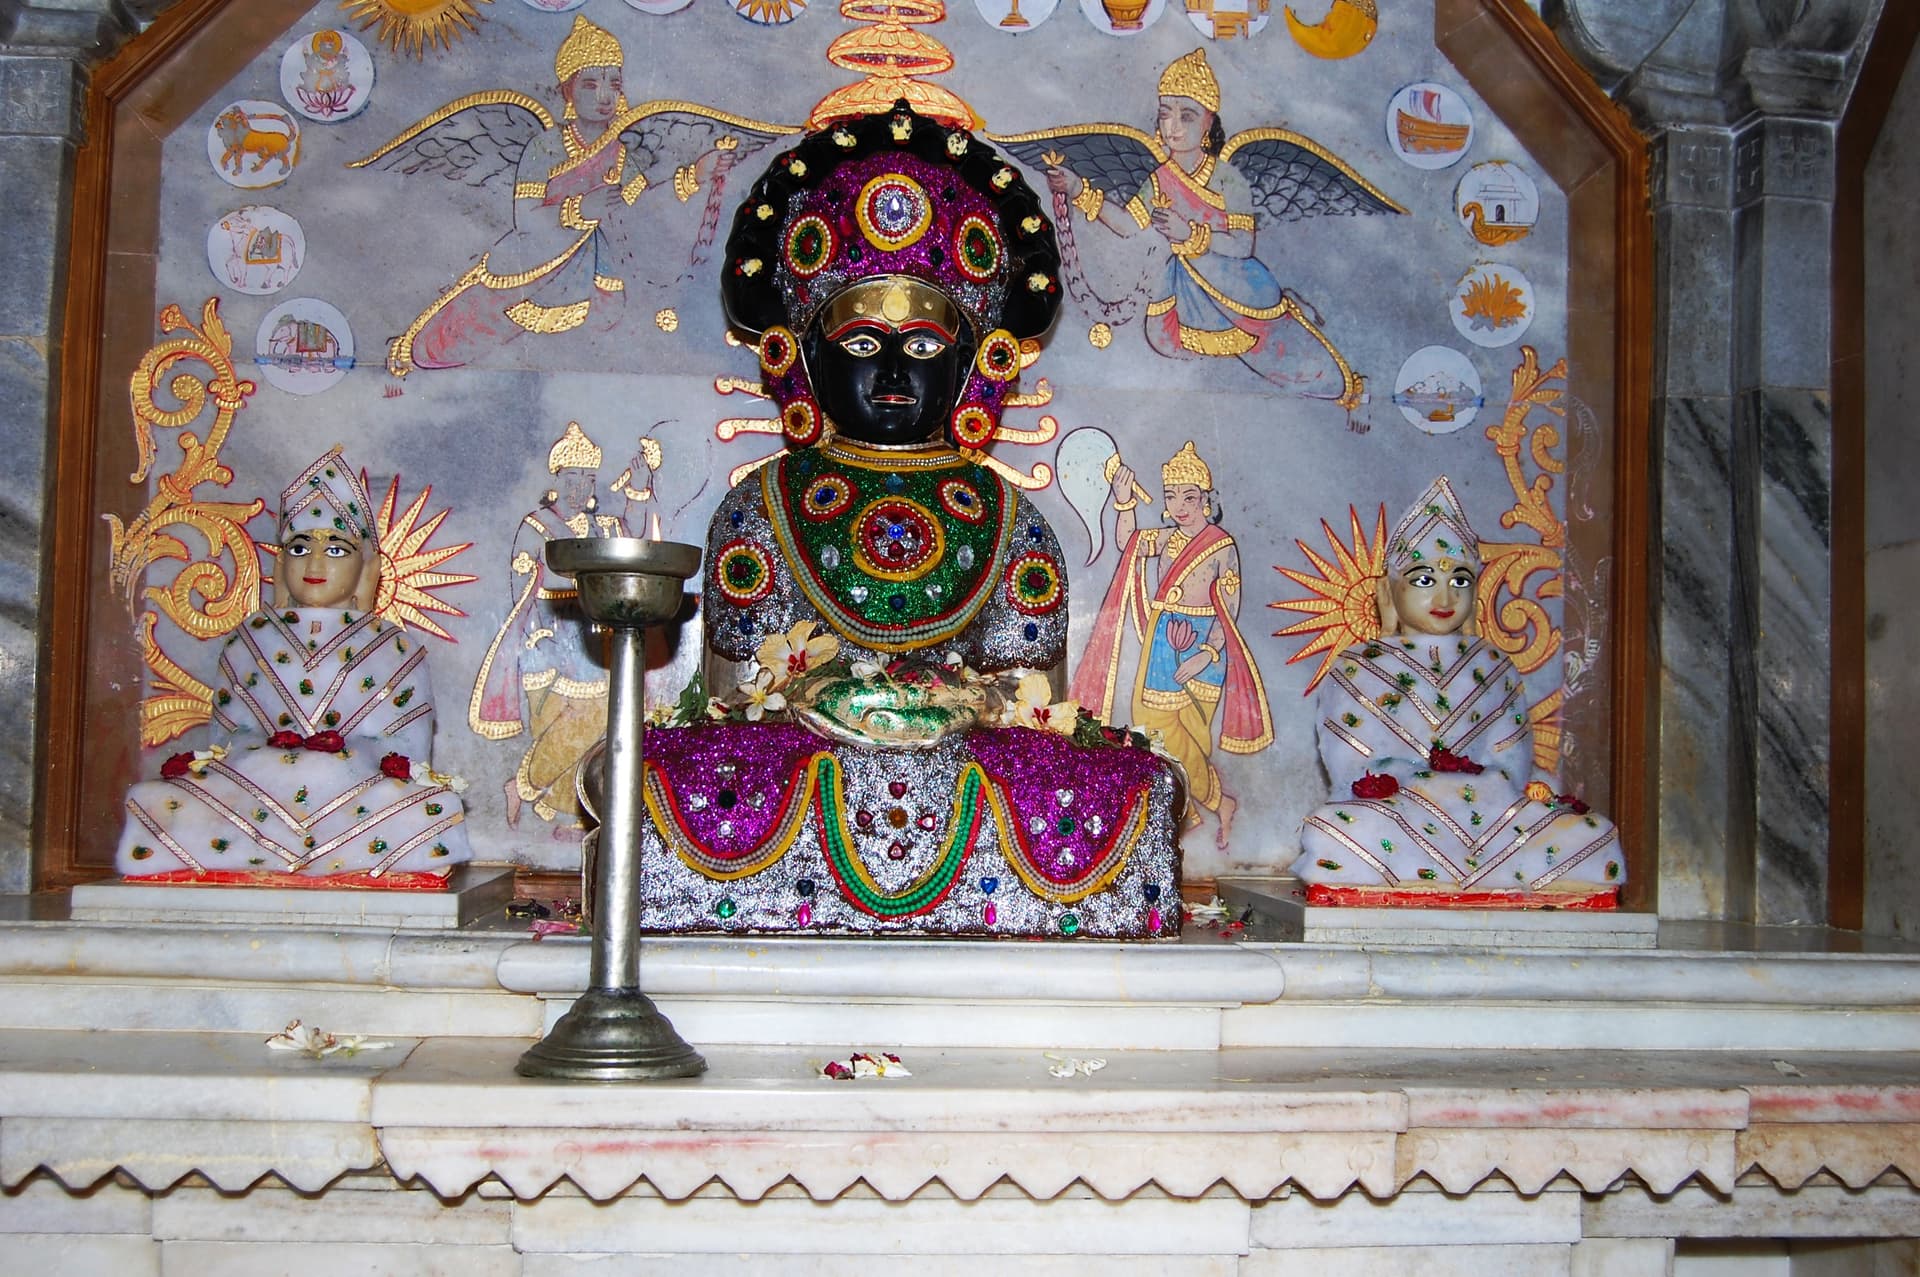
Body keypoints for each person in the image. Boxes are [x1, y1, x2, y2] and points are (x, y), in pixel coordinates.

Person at [613, 101, 1185, 938]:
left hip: (960, 765)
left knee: (1126, 782)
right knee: (658, 774)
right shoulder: (761, 508)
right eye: (860, 344)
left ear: (971, 364)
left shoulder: (1008, 521)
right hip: (805, 756)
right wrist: (836, 697)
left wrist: (937, 701)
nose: (890, 373)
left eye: (921, 347)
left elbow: (1031, 712)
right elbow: (739, 701)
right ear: (806, 355)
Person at [116, 448, 472, 885]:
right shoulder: (248, 639)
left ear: (368, 567)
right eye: (300, 548)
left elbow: (406, 751)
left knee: (433, 808)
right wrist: (273, 756)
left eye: (336, 549)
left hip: (353, 794)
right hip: (253, 789)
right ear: (280, 563)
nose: (315, 564)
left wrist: (338, 757)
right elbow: (226, 741)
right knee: (152, 799)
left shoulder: (396, 646)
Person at [1287, 477, 1624, 906]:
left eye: (1460, 581)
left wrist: (1477, 790)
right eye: (1424, 580)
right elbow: (1353, 769)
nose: (1445, 596)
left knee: (1591, 835)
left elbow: (1513, 765)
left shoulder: (1495, 666)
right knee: (1337, 832)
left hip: (1494, 815)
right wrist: (1430, 787)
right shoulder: (1358, 667)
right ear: (1387, 592)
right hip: (1401, 816)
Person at [1042, 49, 1337, 389]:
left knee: (1288, 366)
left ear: (1208, 122)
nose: (1173, 127)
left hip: (1238, 286)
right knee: (1167, 342)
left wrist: (1191, 234)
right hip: (1185, 285)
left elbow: (1242, 246)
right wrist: (1078, 189)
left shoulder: (1228, 179)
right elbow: (1127, 225)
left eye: (1187, 116)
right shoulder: (1160, 178)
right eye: (1165, 114)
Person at [1072, 440, 1272, 849]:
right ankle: (1203, 805)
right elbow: (1129, 544)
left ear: (1206, 499)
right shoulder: (1168, 539)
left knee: (1194, 735)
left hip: (1204, 646)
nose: (1179, 506)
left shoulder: (1221, 546)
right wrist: (1124, 501)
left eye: (1189, 497)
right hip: (1163, 641)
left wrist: (1206, 654)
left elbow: (1229, 608)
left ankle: (1201, 805)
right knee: (1155, 727)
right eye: (1171, 496)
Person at [469, 421, 655, 834]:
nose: (579, 487)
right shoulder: (536, 527)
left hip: (596, 643)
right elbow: (523, 589)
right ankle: (530, 787)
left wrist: (638, 489)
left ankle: (563, 807)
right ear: (556, 480)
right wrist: (541, 640)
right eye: (571, 477)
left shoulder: (605, 527)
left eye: (587, 478)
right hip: (549, 643)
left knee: (606, 722)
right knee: (583, 720)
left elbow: (636, 540)